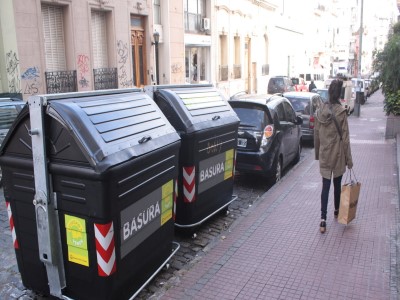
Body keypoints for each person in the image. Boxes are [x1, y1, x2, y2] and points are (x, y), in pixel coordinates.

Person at [314, 79, 353, 233]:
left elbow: (316, 135)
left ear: (329, 92)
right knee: (337, 185)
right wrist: (349, 160)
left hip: (324, 154)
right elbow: (346, 139)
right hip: (337, 155)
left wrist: (317, 154)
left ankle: (323, 220)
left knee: (325, 186)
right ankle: (337, 211)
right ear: (339, 94)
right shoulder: (341, 112)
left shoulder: (320, 111)